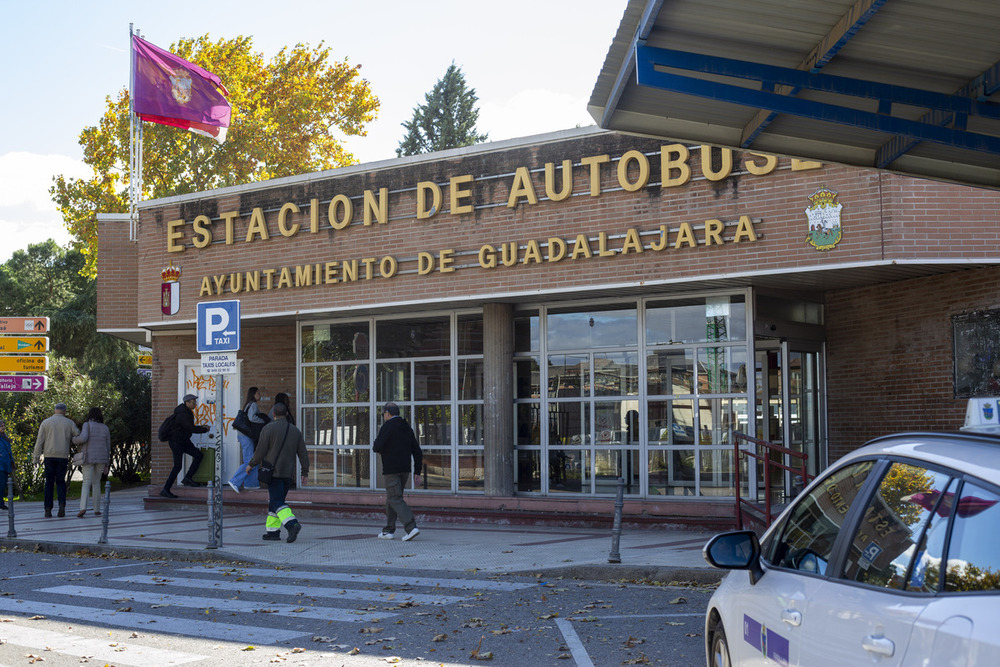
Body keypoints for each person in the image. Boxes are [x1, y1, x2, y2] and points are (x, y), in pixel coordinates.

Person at [247, 401, 308, 543]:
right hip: (288, 473)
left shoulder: (268, 429)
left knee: (277, 501)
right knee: (276, 502)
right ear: (286, 414)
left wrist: (251, 464)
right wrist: (305, 472)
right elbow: (303, 453)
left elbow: (260, 450)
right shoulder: (295, 431)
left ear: (273, 413)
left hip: (273, 472)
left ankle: (292, 525)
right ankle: (273, 532)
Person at [372, 402, 423, 541]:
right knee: (392, 498)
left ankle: (411, 527)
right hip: (405, 470)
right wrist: (417, 471)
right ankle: (388, 530)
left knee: (395, 498)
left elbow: (376, 446)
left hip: (391, 470)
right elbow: (417, 451)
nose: (383, 416)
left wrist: (384, 450)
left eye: (383, 414)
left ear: (387, 413)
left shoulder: (387, 427)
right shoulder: (406, 427)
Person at [32, 403, 80, 517]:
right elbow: (77, 435)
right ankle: (62, 506)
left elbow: (39, 441)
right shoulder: (69, 423)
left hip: (49, 456)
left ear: (55, 410)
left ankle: (47, 509)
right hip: (62, 456)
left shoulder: (45, 422)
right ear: (64, 411)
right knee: (60, 482)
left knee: (48, 483)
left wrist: (36, 457)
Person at [160, 394, 210, 499]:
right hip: (176, 442)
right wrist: (204, 429)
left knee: (198, 455)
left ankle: (187, 478)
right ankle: (166, 489)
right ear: (187, 403)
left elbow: (188, 428)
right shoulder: (183, 414)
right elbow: (191, 428)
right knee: (178, 466)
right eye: (193, 402)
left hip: (184, 441)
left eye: (195, 402)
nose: (195, 404)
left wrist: (202, 428)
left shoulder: (186, 412)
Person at [227, 386, 269, 493]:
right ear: (253, 394)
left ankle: (251, 484)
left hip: (243, 435)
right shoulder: (253, 404)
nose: (260, 395)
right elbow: (252, 418)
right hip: (246, 436)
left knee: (252, 459)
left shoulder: (247, 404)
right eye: (258, 393)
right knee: (250, 461)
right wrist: (262, 421)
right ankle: (235, 481)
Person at [72, 407, 111, 518]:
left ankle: (83, 507)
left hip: (88, 457)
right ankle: (97, 509)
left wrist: (74, 439)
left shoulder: (87, 425)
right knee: (96, 483)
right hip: (102, 458)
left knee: (86, 482)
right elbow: (108, 447)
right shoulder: (105, 428)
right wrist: (107, 464)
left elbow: (83, 438)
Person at [0, 419, 13, 511]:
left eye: (4, 426)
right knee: (1, 485)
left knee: (3, 485)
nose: (3, 428)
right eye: (1, 426)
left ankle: (1, 503)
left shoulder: (4, 437)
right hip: (0, 465)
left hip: (5, 464)